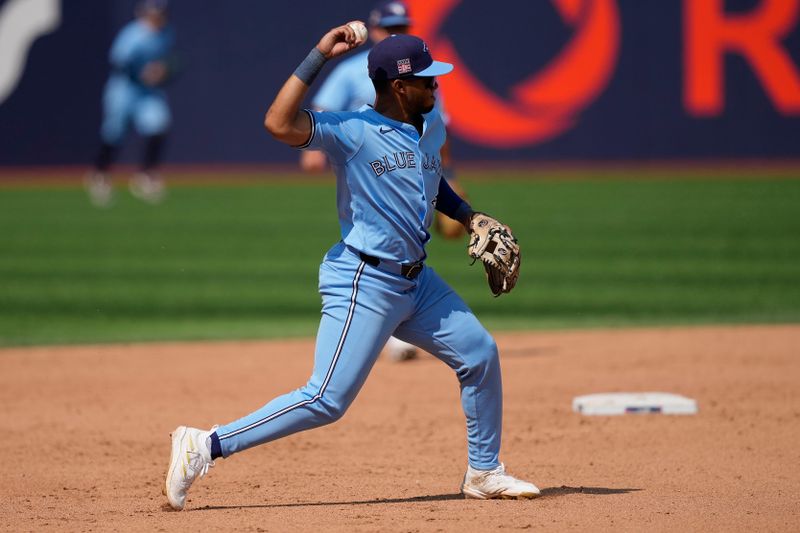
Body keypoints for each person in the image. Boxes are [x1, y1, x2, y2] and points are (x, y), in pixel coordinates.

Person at [164, 23, 539, 511]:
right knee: (326, 399)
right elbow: (278, 124)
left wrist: (469, 217)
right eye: (426, 79)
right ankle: (204, 445)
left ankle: (484, 472)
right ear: (399, 87)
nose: (436, 85)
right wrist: (319, 53)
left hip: (417, 281)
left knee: (480, 355)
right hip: (365, 279)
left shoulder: (432, 125)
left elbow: (434, 177)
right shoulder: (353, 133)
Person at [303, 0, 467, 362]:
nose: (395, 33)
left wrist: (449, 174)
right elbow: (324, 110)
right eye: (389, 27)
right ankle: (381, 319)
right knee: (375, 239)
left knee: (405, 237)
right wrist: (316, 146)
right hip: (365, 169)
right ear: (374, 30)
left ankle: (390, 319)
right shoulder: (351, 71)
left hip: (408, 168)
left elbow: (437, 128)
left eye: (402, 27)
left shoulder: (420, 74)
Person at [85, 0, 176, 207]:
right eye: (153, 13)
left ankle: (146, 175)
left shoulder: (166, 32)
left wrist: (164, 71)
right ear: (144, 14)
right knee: (113, 134)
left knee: (159, 125)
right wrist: (141, 73)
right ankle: (100, 174)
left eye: (160, 13)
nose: (157, 18)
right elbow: (118, 61)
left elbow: (170, 61)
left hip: (148, 92)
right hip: (124, 89)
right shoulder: (133, 34)